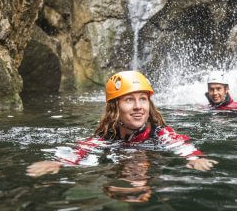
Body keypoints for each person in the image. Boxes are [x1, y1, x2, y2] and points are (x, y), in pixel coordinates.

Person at [27, 71, 218, 177]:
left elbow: (180, 144)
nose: (138, 107)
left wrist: (194, 158)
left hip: (154, 168)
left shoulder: (160, 133)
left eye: (143, 99)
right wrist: (59, 162)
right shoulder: (107, 135)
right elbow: (82, 149)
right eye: (129, 100)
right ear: (114, 107)